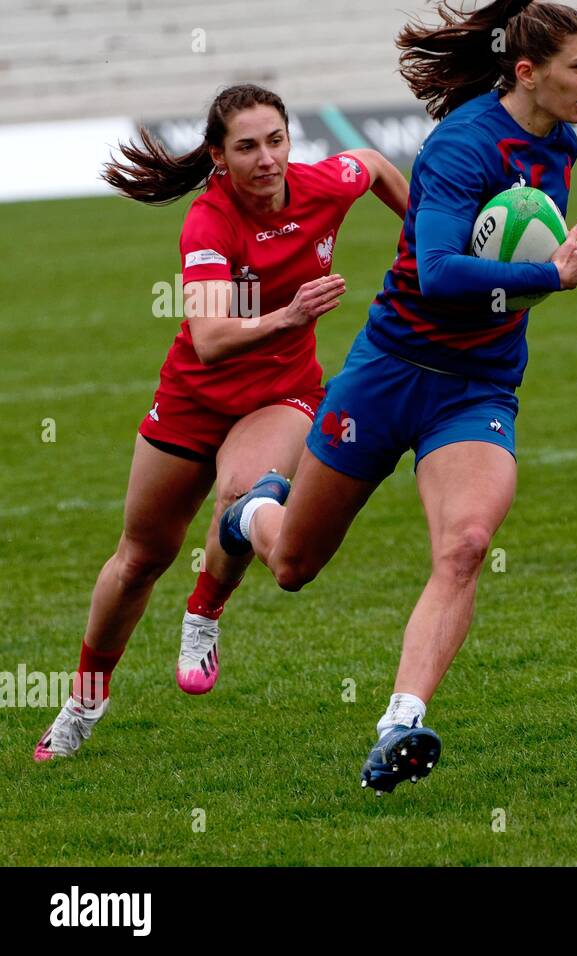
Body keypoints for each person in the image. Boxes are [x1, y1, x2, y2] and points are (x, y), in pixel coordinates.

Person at [218, 0, 577, 793]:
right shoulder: (461, 146)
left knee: (464, 545)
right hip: (389, 372)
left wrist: (530, 279)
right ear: (528, 73)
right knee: (292, 565)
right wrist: (546, 276)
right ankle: (250, 507)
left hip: (478, 386)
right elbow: (441, 271)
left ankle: (401, 724)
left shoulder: (559, 139)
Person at [35, 84, 408, 761]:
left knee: (244, 497)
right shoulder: (209, 222)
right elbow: (208, 337)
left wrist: (422, 239)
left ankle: (204, 610)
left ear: (291, 140)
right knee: (140, 557)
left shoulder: (324, 184)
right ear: (218, 156)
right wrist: (289, 316)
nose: (266, 159)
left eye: (276, 141)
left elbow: (375, 164)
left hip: (282, 394)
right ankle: (84, 700)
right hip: (194, 399)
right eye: (247, 147)